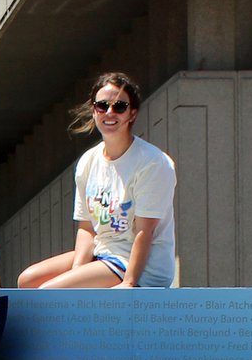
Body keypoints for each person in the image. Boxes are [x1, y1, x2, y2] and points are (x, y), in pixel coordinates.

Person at [16, 72, 177, 290]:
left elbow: (144, 232)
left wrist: (129, 283)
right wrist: (78, 272)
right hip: (103, 254)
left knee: (50, 292)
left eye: (119, 106)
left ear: (132, 114)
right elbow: (87, 229)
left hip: (138, 265)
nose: (110, 112)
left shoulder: (153, 162)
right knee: (27, 281)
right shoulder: (88, 162)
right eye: (102, 105)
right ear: (94, 111)